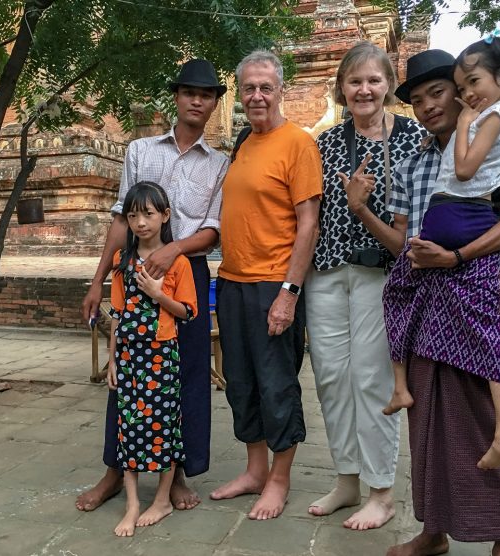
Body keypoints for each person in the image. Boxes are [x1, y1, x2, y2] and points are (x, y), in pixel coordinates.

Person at [384, 48, 500, 556]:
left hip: (479, 289)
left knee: (487, 411)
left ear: (462, 93)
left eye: (438, 92)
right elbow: (402, 242)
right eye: (417, 100)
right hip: (425, 299)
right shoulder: (412, 166)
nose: (428, 106)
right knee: (428, 417)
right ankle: (434, 531)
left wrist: (457, 256)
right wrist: (364, 210)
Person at [76, 59, 228, 513]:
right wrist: (98, 280)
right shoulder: (141, 150)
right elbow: (121, 219)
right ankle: (114, 471)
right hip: (134, 271)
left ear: (215, 104)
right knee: (125, 374)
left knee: (187, 374)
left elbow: (213, 231)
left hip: (186, 275)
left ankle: (176, 473)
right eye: (189, 93)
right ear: (176, 97)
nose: (197, 101)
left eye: (206, 95)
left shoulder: (220, 163)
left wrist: (173, 249)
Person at [304, 41, 426, 530]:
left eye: (374, 80)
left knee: (371, 379)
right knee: (331, 377)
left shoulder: (413, 138)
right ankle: (347, 479)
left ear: (389, 85)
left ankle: (381, 491)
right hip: (328, 272)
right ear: (341, 88)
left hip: (383, 275)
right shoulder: (326, 142)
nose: (364, 89)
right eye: (354, 81)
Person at [208, 50, 322, 520]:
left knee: (276, 385)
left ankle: (279, 478)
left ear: (280, 91)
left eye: (265, 87)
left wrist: (289, 294)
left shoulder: (297, 143)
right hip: (232, 282)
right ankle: (255, 470)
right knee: (241, 383)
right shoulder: (243, 143)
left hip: (274, 284)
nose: (256, 96)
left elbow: (309, 224)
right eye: (249, 88)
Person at [107, 181, 198, 536]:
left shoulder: (178, 263)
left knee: (163, 426)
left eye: (147, 214)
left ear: (165, 215)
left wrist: (159, 295)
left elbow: (188, 312)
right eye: (133, 216)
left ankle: (161, 500)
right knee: (128, 427)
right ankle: (132, 504)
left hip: (162, 357)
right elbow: (117, 314)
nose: (140, 223)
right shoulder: (122, 261)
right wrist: (113, 361)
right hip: (129, 357)